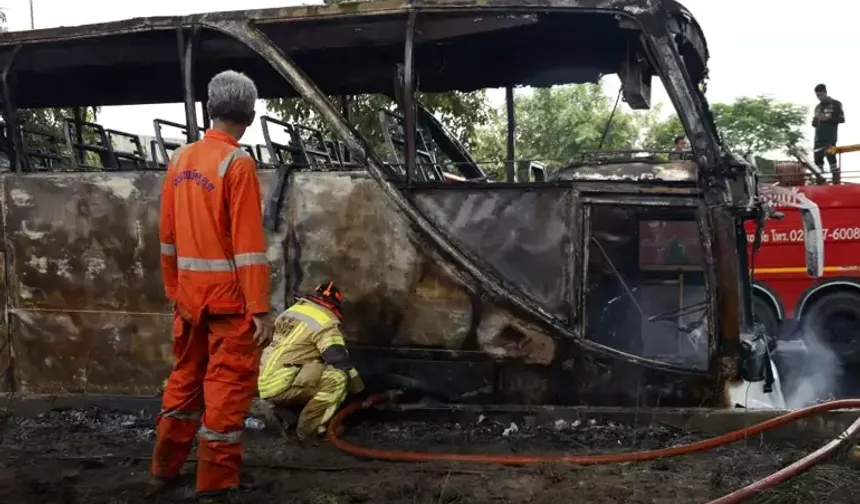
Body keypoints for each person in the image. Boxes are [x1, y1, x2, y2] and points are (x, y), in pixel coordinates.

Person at [150, 70, 274, 501]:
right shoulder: (237, 164)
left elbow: (166, 235)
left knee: (184, 379)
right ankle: (216, 483)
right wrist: (259, 307)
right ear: (251, 117)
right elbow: (249, 248)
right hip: (229, 303)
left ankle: (164, 467)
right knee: (226, 387)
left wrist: (174, 291)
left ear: (209, 109)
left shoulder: (180, 159)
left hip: (188, 299)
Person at [257, 281, 366, 440]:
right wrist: (359, 392)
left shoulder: (291, 312)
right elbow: (338, 360)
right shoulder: (326, 322)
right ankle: (310, 429)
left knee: (314, 365)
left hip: (264, 381)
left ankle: (281, 410)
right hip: (283, 383)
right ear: (334, 306)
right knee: (337, 378)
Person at [812, 83, 845, 183]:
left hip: (830, 138)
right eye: (817, 95)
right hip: (818, 138)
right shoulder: (817, 107)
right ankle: (820, 182)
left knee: (831, 159)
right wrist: (814, 122)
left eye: (821, 95)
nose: (819, 97)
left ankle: (836, 182)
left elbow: (842, 119)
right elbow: (815, 124)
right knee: (818, 161)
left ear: (825, 92)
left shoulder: (836, 104)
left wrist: (828, 118)